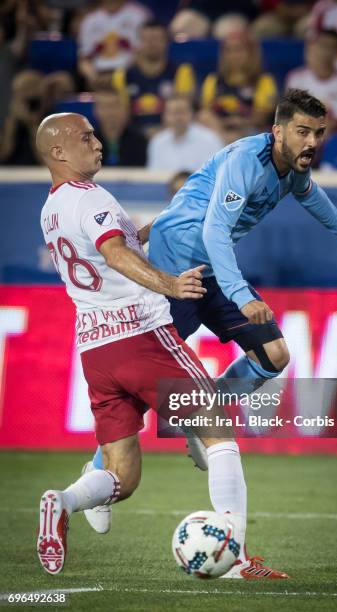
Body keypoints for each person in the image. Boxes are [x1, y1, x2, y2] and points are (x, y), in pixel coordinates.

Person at [90, 88, 337, 523]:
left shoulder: (293, 168)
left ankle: (201, 418)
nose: (312, 142)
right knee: (144, 385)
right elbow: (215, 233)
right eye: (302, 132)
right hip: (177, 271)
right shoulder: (247, 161)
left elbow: (310, 194)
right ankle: (96, 474)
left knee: (274, 354)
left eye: (318, 133)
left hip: (212, 270)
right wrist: (242, 295)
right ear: (277, 131)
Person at [35, 112, 288, 581]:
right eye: (84, 137)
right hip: (140, 335)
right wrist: (169, 284)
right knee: (217, 434)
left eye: (95, 132)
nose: (97, 141)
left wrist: (150, 229)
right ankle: (238, 561)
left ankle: (64, 501)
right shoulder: (93, 199)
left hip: (95, 350)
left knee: (122, 477)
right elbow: (114, 252)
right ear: (58, 152)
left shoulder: (51, 208)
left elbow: (112, 246)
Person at [113, 20, 196, 137]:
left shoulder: (181, 71)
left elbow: (184, 113)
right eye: (146, 39)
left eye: (156, 39)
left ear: (166, 42)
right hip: (134, 137)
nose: (151, 44)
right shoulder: (122, 75)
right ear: (138, 43)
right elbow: (120, 115)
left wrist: (162, 133)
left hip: (171, 135)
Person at [200, 32, 278, 133]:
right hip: (220, 130)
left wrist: (242, 122)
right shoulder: (213, 80)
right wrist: (224, 124)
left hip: (249, 130)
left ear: (251, 53)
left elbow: (262, 117)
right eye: (228, 51)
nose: (233, 56)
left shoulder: (264, 80)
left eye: (238, 50)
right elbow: (206, 111)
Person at [285, 29, 337, 127]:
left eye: (332, 47)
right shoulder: (296, 78)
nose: (327, 52)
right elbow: (291, 114)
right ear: (312, 47)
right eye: (323, 46)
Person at [78, 0, 151, 87]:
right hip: (99, 75)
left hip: (130, 73)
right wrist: (93, 77)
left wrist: (122, 76)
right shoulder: (90, 20)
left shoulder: (139, 15)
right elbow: (84, 59)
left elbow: (144, 52)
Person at [147, 94, 224, 172]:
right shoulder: (157, 142)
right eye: (172, 113)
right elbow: (153, 176)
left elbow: (215, 175)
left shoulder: (210, 140)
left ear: (192, 114)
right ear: (164, 116)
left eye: (181, 112)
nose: (177, 117)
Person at [93, 86, 147, 166]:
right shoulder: (87, 143)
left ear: (126, 109)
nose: (109, 112)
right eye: (104, 107)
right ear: (95, 111)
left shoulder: (140, 141)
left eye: (114, 106)